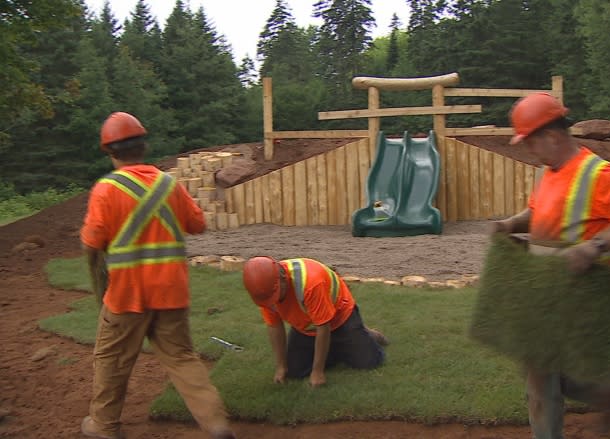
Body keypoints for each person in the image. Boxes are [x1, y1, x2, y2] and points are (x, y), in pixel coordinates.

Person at [491, 93, 610, 438]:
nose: (527, 150)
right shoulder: (547, 172)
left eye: (529, 142)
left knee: (549, 373)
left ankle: (603, 395)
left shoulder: (598, 173)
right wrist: (510, 224)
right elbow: (536, 213)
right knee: (539, 371)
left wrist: (594, 247)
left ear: (551, 136)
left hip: (585, 295)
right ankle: (598, 398)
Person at [80, 112, 235, 439]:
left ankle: (104, 427)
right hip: (171, 294)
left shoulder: (106, 190)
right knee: (182, 359)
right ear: (144, 146)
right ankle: (215, 423)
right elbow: (198, 225)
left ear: (110, 152)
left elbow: (92, 242)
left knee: (112, 360)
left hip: (126, 296)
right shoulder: (169, 185)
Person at [242, 256, 387, 387]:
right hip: (307, 326)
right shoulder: (264, 291)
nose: (273, 303)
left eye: (275, 296)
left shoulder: (310, 282)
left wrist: (317, 371)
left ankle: (367, 334)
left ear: (282, 278)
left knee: (369, 362)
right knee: (295, 371)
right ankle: (338, 347)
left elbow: (323, 327)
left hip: (341, 317)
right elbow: (274, 326)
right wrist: (281, 366)